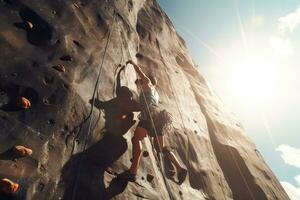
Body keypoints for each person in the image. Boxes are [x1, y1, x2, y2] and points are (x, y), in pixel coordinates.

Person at [124, 60, 187, 184]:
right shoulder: (154, 94)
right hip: (158, 118)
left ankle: (132, 172)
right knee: (161, 147)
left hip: (150, 117)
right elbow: (144, 104)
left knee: (136, 139)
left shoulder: (148, 85)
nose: (139, 85)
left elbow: (142, 74)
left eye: (140, 83)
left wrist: (133, 63)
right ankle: (180, 169)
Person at [90, 65, 142, 135]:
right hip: (120, 115)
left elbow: (118, 82)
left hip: (121, 116)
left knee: (129, 115)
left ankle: (119, 124)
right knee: (129, 115)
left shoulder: (121, 96)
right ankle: (118, 124)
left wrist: (120, 71)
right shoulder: (125, 99)